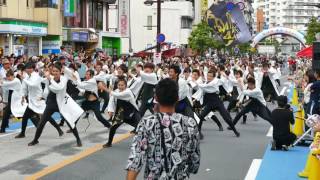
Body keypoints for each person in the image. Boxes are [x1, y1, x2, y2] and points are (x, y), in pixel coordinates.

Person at [126, 78, 200, 180]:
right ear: (177, 98)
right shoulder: (190, 123)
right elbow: (194, 162)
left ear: (156, 97)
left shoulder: (147, 123)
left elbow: (136, 160)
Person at [28, 62, 83, 147]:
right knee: (41, 123)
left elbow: (59, 88)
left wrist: (51, 78)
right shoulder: (50, 77)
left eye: (57, 71)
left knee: (69, 121)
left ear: (60, 71)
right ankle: (35, 140)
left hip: (60, 104)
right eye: (53, 71)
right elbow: (39, 80)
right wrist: (40, 73)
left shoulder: (63, 79)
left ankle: (78, 139)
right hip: (51, 103)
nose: (55, 73)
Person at [102, 77, 140, 147]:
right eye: (119, 85)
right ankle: (109, 143)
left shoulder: (128, 92)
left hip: (131, 112)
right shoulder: (116, 91)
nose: (120, 87)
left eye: (122, 85)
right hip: (120, 113)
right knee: (113, 127)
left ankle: (143, 143)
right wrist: (110, 110)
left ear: (126, 85)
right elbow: (112, 99)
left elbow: (118, 95)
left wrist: (106, 89)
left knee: (140, 128)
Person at [15, 62, 46, 138]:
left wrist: (23, 79)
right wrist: (23, 96)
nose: (28, 70)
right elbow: (25, 87)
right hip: (31, 100)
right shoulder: (27, 76)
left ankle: (58, 129)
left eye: (30, 68)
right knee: (26, 116)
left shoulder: (36, 76)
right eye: (27, 68)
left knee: (46, 115)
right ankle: (23, 133)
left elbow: (33, 84)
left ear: (33, 68)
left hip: (37, 98)